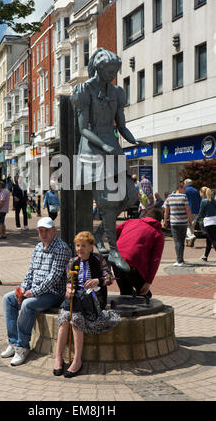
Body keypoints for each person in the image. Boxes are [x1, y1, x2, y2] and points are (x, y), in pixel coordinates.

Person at [70, 48, 148, 271]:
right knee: (107, 202)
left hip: (112, 147)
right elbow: (83, 128)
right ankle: (113, 251)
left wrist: (133, 140)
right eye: (110, 70)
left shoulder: (116, 92)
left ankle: (99, 234)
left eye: (115, 71)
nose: (113, 75)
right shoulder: (84, 91)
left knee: (131, 196)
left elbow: (121, 125)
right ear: (99, 68)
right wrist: (103, 144)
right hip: (93, 148)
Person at [1, 217, 72, 366]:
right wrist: (22, 288)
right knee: (8, 299)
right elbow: (31, 272)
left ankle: (22, 346)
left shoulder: (62, 248)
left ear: (54, 231)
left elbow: (54, 277)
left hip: (53, 293)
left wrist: (34, 292)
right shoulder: (38, 247)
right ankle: (13, 342)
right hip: (34, 290)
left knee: (28, 305)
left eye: (47, 230)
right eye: (41, 231)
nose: (44, 234)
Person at [53, 231, 121, 378]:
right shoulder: (72, 262)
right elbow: (68, 281)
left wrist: (98, 281)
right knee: (65, 318)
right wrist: (69, 288)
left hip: (94, 299)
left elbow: (109, 277)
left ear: (91, 247)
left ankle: (77, 360)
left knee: (75, 319)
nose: (80, 249)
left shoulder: (99, 259)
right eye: (77, 245)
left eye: (83, 246)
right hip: (76, 299)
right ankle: (58, 357)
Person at [114, 208, 165, 297]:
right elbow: (155, 260)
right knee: (144, 295)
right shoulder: (158, 234)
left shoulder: (131, 222)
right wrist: (148, 282)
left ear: (146, 216)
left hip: (116, 259)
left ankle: (126, 310)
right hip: (132, 264)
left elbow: (113, 232)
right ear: (160, 221)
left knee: (125, 293)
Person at [164, 182, 193, 267]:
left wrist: (165, 221)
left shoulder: (169, 197)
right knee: (181, 241)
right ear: (179, 188)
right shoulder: (184, 197)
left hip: (174, 223)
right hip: (183, 222)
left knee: (177, 241)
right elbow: (188, 209)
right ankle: (181, 259)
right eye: (184, 188)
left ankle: (179, 260)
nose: (185, 190)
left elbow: (166, 211)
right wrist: (190, 219)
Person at [193, 187, 216, 264]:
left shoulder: (204, 201)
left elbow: (201, 213)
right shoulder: (214, 201)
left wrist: (195, 220)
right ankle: (205, 256)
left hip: (208, 222)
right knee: (209, 239)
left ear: (202, 193)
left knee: (213, 239)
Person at [184, 179, 201, 248]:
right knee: (192, 226)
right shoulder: (196, 190)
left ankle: (191, 236)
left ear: (185, 183)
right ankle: (189, 242)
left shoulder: (185, 190)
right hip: (196, 210)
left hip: (187, 210)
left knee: (186, 226)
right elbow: (199, 200)